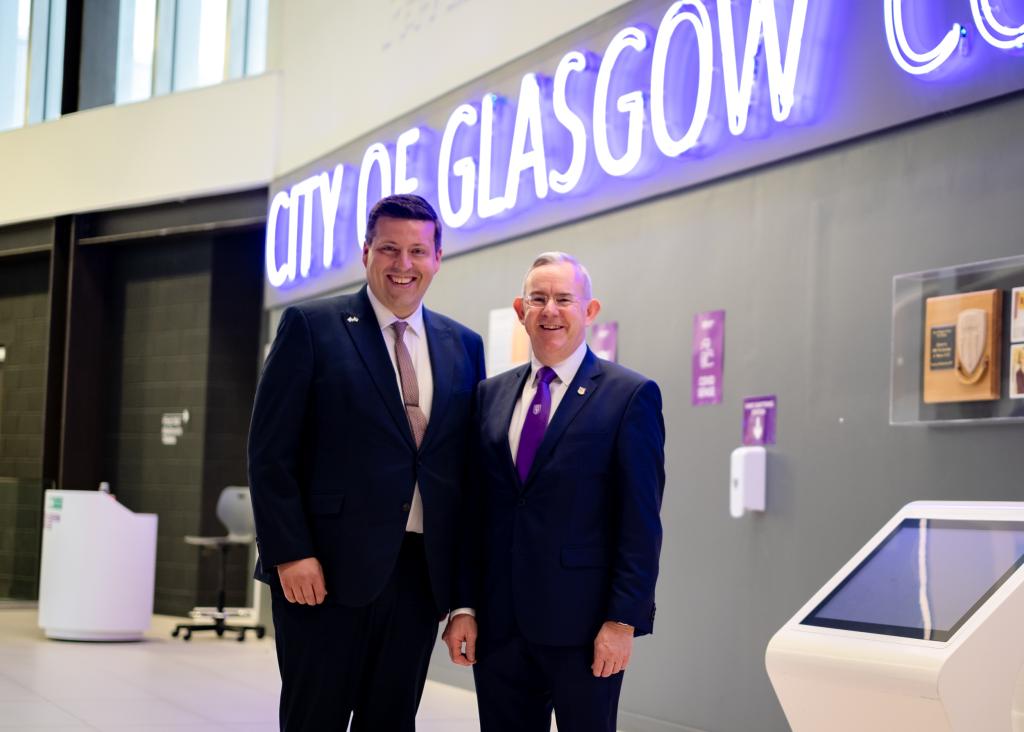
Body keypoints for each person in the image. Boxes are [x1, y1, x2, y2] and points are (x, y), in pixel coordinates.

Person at [248, 194, 486, 731]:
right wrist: (291, 553)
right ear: (366, 253)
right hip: (323, 573)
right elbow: (269, 454)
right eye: (390, 249)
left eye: (418, 251)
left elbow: (465, 478)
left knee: (392, 720)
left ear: (438, 257)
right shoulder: (313, 326)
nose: (404, 264)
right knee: (316, 718)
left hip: (418, 578)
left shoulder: (462, 345)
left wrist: (463, 597)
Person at [443, 252, 665, 732]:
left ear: (590, 310)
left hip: (584, 631)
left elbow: (640, 521)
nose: (550, 311)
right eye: (538, 299)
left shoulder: (629, 396)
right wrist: (463, 607)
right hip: (500, 627)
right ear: (521, 310)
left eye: (564, 299)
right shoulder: (489, 395)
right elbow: (473, 513)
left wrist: (622, 621)